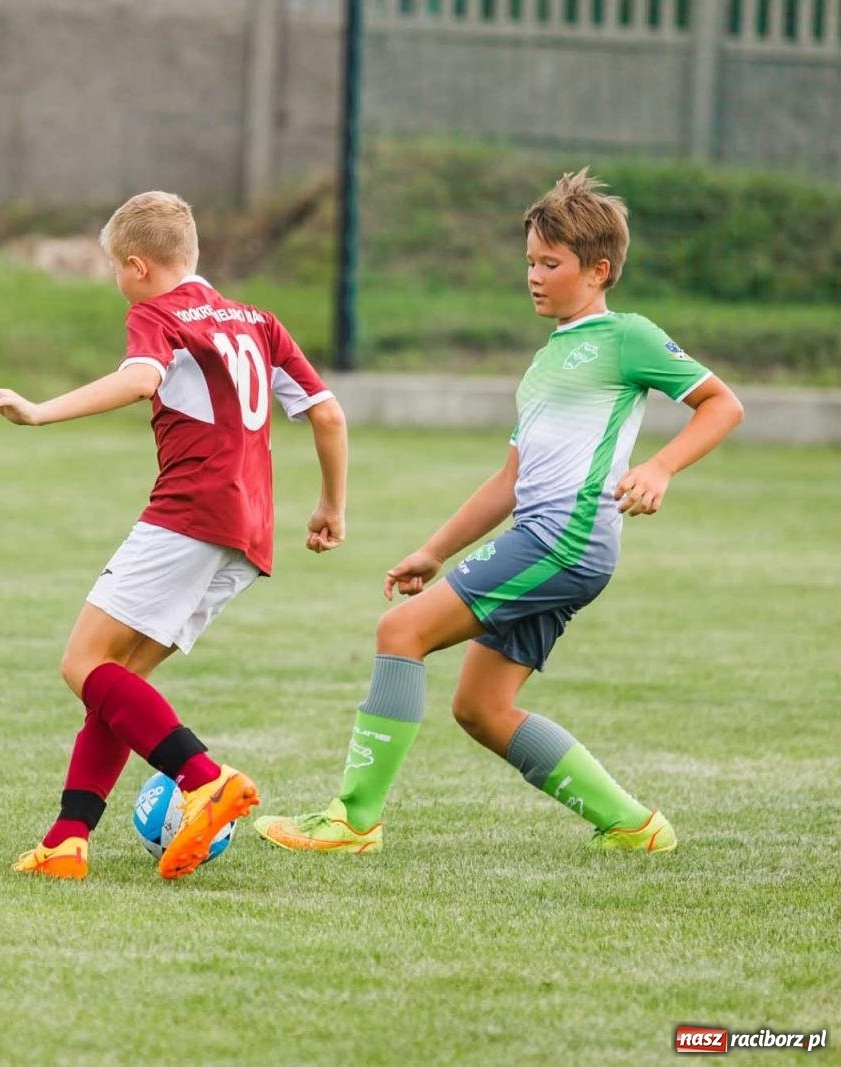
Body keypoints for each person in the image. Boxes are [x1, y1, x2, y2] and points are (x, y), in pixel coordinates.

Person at [254, 170, 743, 856]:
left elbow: (722, 403)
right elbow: (510, 480)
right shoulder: (547, 360)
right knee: (480, 708)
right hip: (544, 534)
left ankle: (353, 820)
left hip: (565, 536)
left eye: (551, 263)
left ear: (599, 270)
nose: (535, 277)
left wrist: (660, 466)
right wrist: (434, 549)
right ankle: (635, 826)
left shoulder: (626, 337)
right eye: (530, 263)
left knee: (401, 632)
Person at [0, 191, 348, 880]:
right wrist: (330, 505)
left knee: (82, 665)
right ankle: (67, 838)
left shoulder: (156, 314)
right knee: (120, 680)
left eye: (116, 268)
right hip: (248, 528)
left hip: (188, 512)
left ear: (138, 265)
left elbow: (141, 378)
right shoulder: (258, 320)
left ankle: (204, 777)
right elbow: (327, 415)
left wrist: (40, 411)